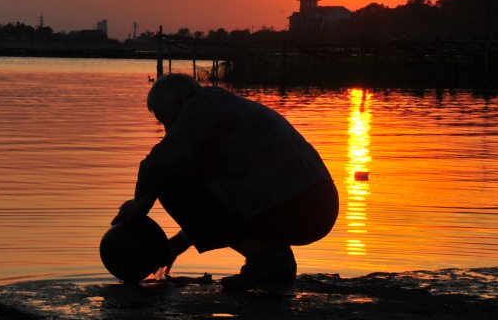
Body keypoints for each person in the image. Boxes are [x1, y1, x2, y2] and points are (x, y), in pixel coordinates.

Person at [112, 73, 338, 290]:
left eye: (165, 120)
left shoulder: (199, 107)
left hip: (297, 207)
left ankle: (267, 259)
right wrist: (177, 245)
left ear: (180, 102)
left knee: (169, 183)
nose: (168, 130)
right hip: (319, 205)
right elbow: (223, 201)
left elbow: (158, 165)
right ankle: (278, 268)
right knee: (202, 181)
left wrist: (139, 205)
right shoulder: (223, 106)